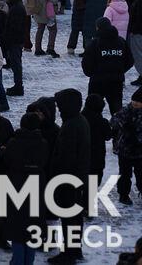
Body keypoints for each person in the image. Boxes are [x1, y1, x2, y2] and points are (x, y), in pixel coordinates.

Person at [0, 113, 49, 265]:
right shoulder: (43, 143)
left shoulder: (14, 143)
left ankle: (18, 261)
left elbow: (6, 161)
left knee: (17, 227)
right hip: (36, 187)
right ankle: (29, 261)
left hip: (16, 186)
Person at [49, 88, 91, 264]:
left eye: (59, 104)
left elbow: (65, 157)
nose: (57, 108)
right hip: (78, 177)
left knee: (69, 219)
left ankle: (69, 253)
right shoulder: (80, 120)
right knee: (75, 218)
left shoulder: (70, 126)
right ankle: (74, 250)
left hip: (68, 179)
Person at [82, 17, 134, 118]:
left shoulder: (95, 43)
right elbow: (130, 61)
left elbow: (87, 63)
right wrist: (120, 71)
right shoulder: (121, 42)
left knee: (92, 110)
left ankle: (93, 129)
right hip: (116, 81)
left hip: (97, 82)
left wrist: (92, 73)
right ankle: (118, 130)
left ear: (97, 28)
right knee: (116, 109)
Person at [111, 87, 142, 205]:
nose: (135, 103)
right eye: (134, 100)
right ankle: (123, 195)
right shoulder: (126, 110)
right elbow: (113, 121)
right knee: (124, 174)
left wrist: (137, 136)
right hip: (125, 150)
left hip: (139, 151)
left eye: (138, 102)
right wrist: (122, 126)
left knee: (140, 174)